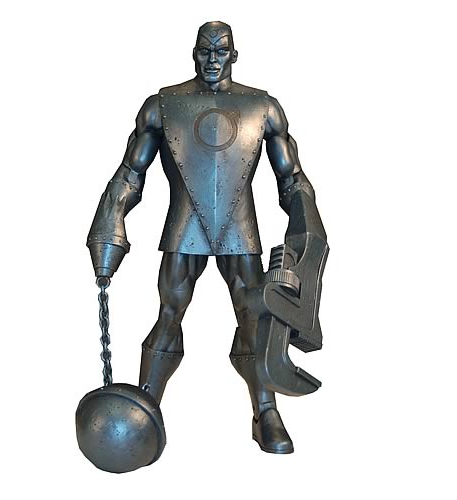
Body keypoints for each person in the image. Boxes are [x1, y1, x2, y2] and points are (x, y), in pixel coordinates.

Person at [87, 21, 322, 454]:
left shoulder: (263, 107)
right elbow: (130, 172)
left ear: (234, 55)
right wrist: (110, 220)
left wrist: (308, 227)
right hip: (185, 226)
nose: (212, 59)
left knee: (254, 317)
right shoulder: (162, 105)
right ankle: (146, 405)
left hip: (240, 229)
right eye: (204, 51)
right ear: (193, 53)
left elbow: (291, 177)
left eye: (221, 51)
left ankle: (265, 410)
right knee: (169, 313)